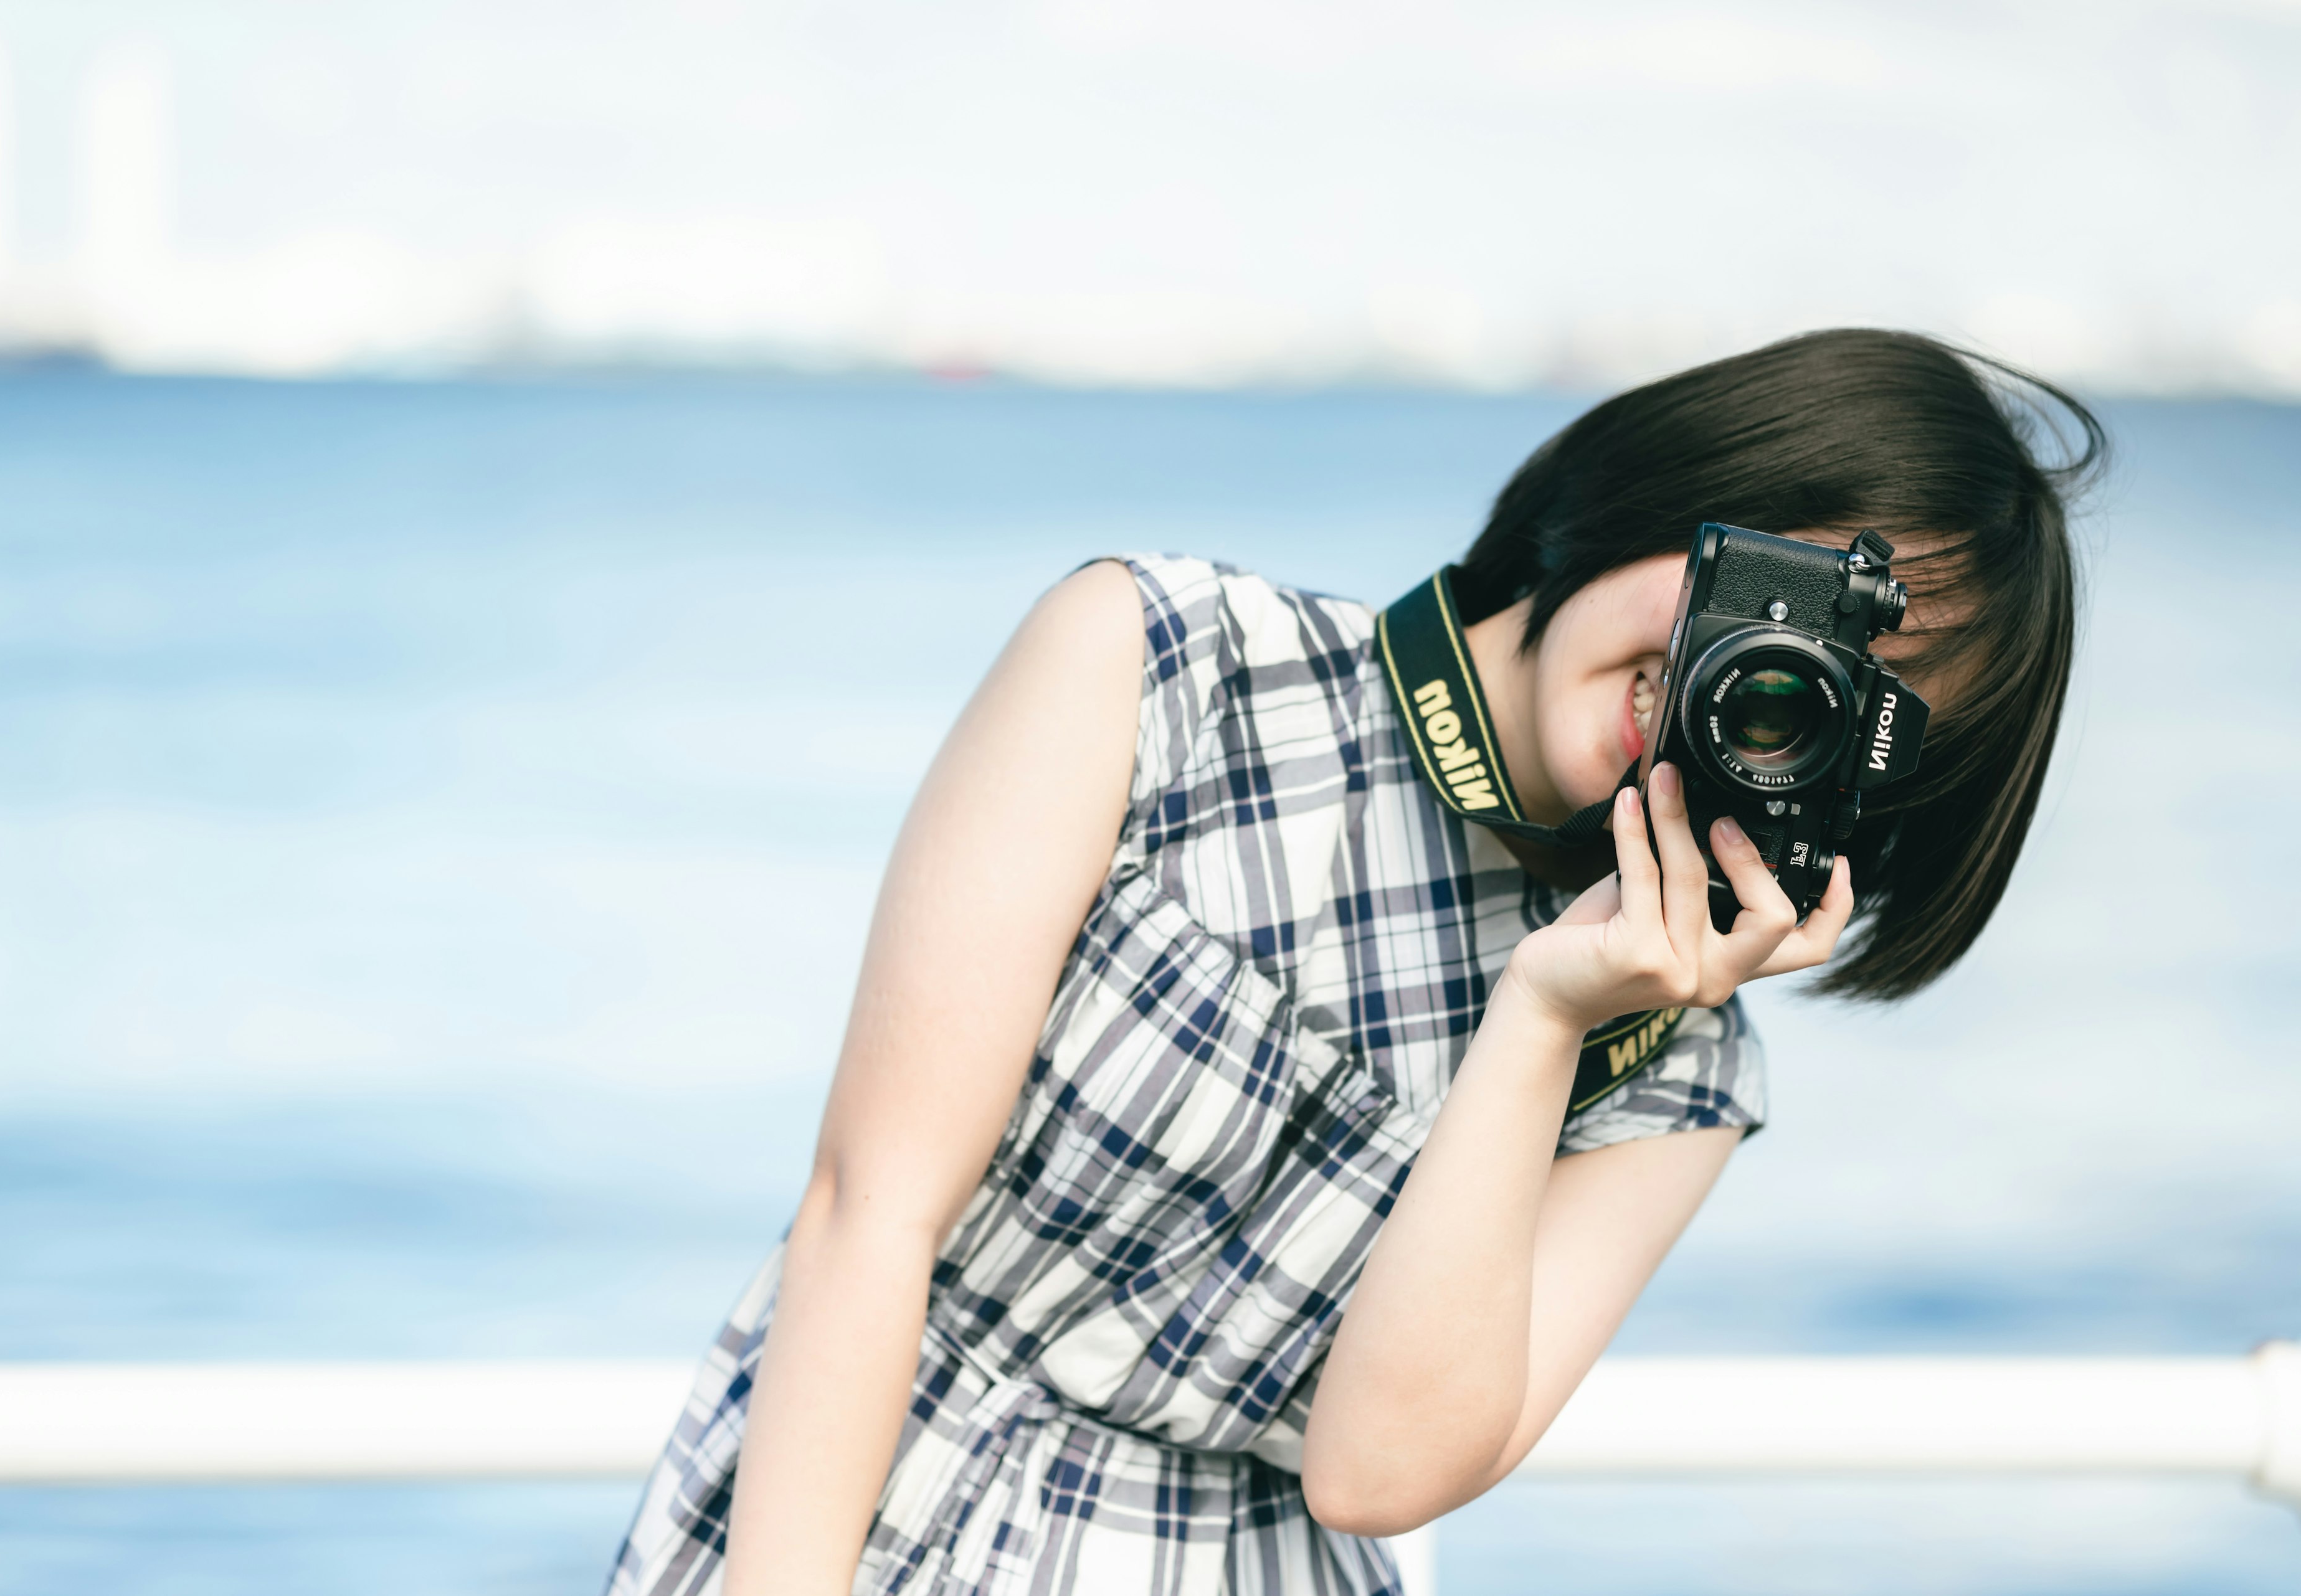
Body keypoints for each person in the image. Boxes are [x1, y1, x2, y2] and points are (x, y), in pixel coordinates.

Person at [605, 328, 2100, 1595]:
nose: (1759, 695)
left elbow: (1375, 1474)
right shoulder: (1167, 664)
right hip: (835, 1521)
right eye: (1779, 616)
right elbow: (870, 1214)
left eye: (1837, 708)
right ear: (1685, 494)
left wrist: (1548, 1019)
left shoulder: (1680, 1067)